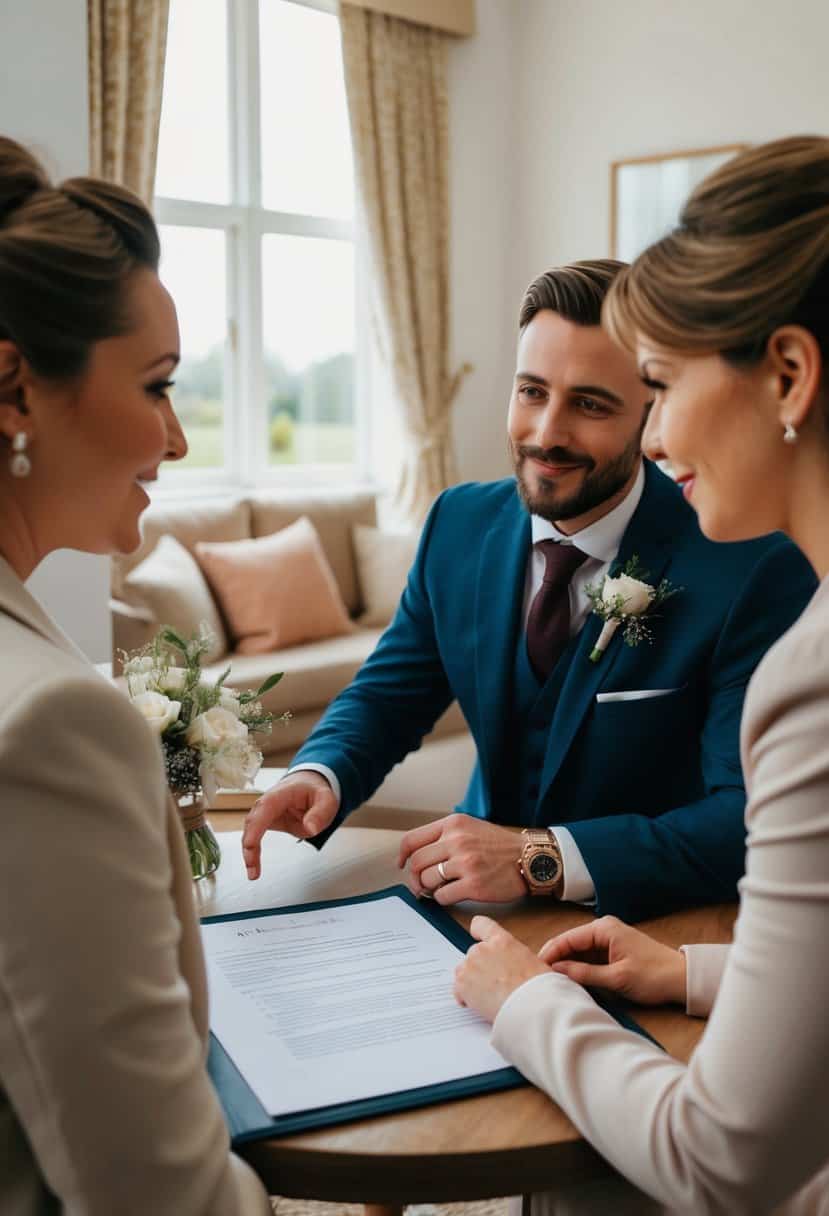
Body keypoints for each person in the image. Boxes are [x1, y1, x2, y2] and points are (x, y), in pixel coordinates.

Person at [454, 135, 829, 1215]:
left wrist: (529, 1003)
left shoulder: (808, 669)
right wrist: (695, 973)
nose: (654, 435)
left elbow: (722, 1163)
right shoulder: (464, 526)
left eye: (655, 386)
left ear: (790, 374)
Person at [244, 260, 814, 922]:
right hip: (461, 907)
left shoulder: (750, 561)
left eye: (590, 404)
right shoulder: (456, 523)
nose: (546, 433)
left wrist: (540, 857)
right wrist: (321, 774)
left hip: (648, 925)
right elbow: (391, 691)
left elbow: (745, 821)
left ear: (649, 414)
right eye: (531, 392)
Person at [0, 138, 270, 1214]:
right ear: (15, 387)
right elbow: (157, 1194)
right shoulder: (52, 723)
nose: (176, 438)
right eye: (156, 386)